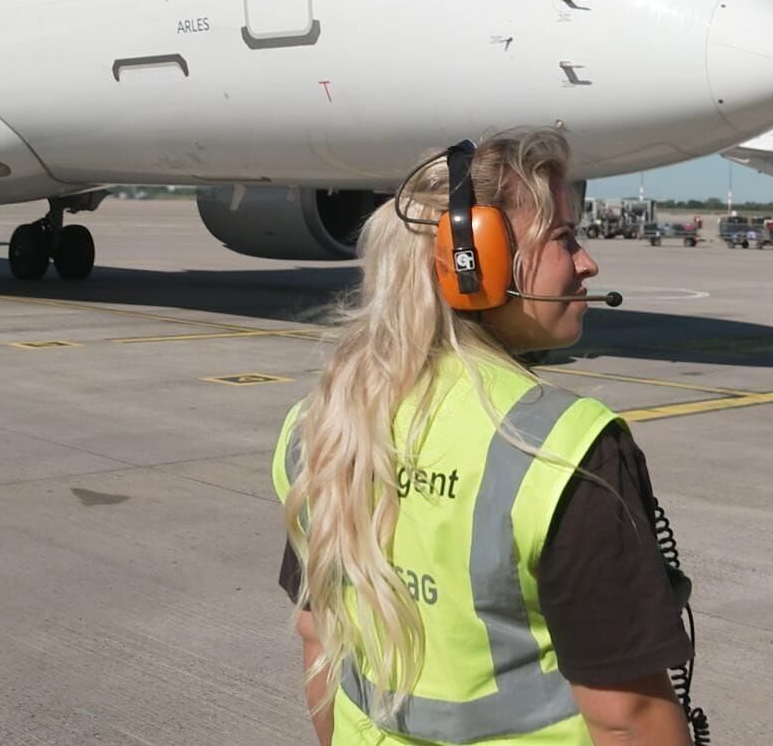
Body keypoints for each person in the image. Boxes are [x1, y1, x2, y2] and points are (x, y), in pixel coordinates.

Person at [275, 130, 696, 745]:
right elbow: (626, 718)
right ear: (479, 264)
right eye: (563, 239)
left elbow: (319, 645)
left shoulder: (322, 424)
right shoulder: (563, 449)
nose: (587, 263)